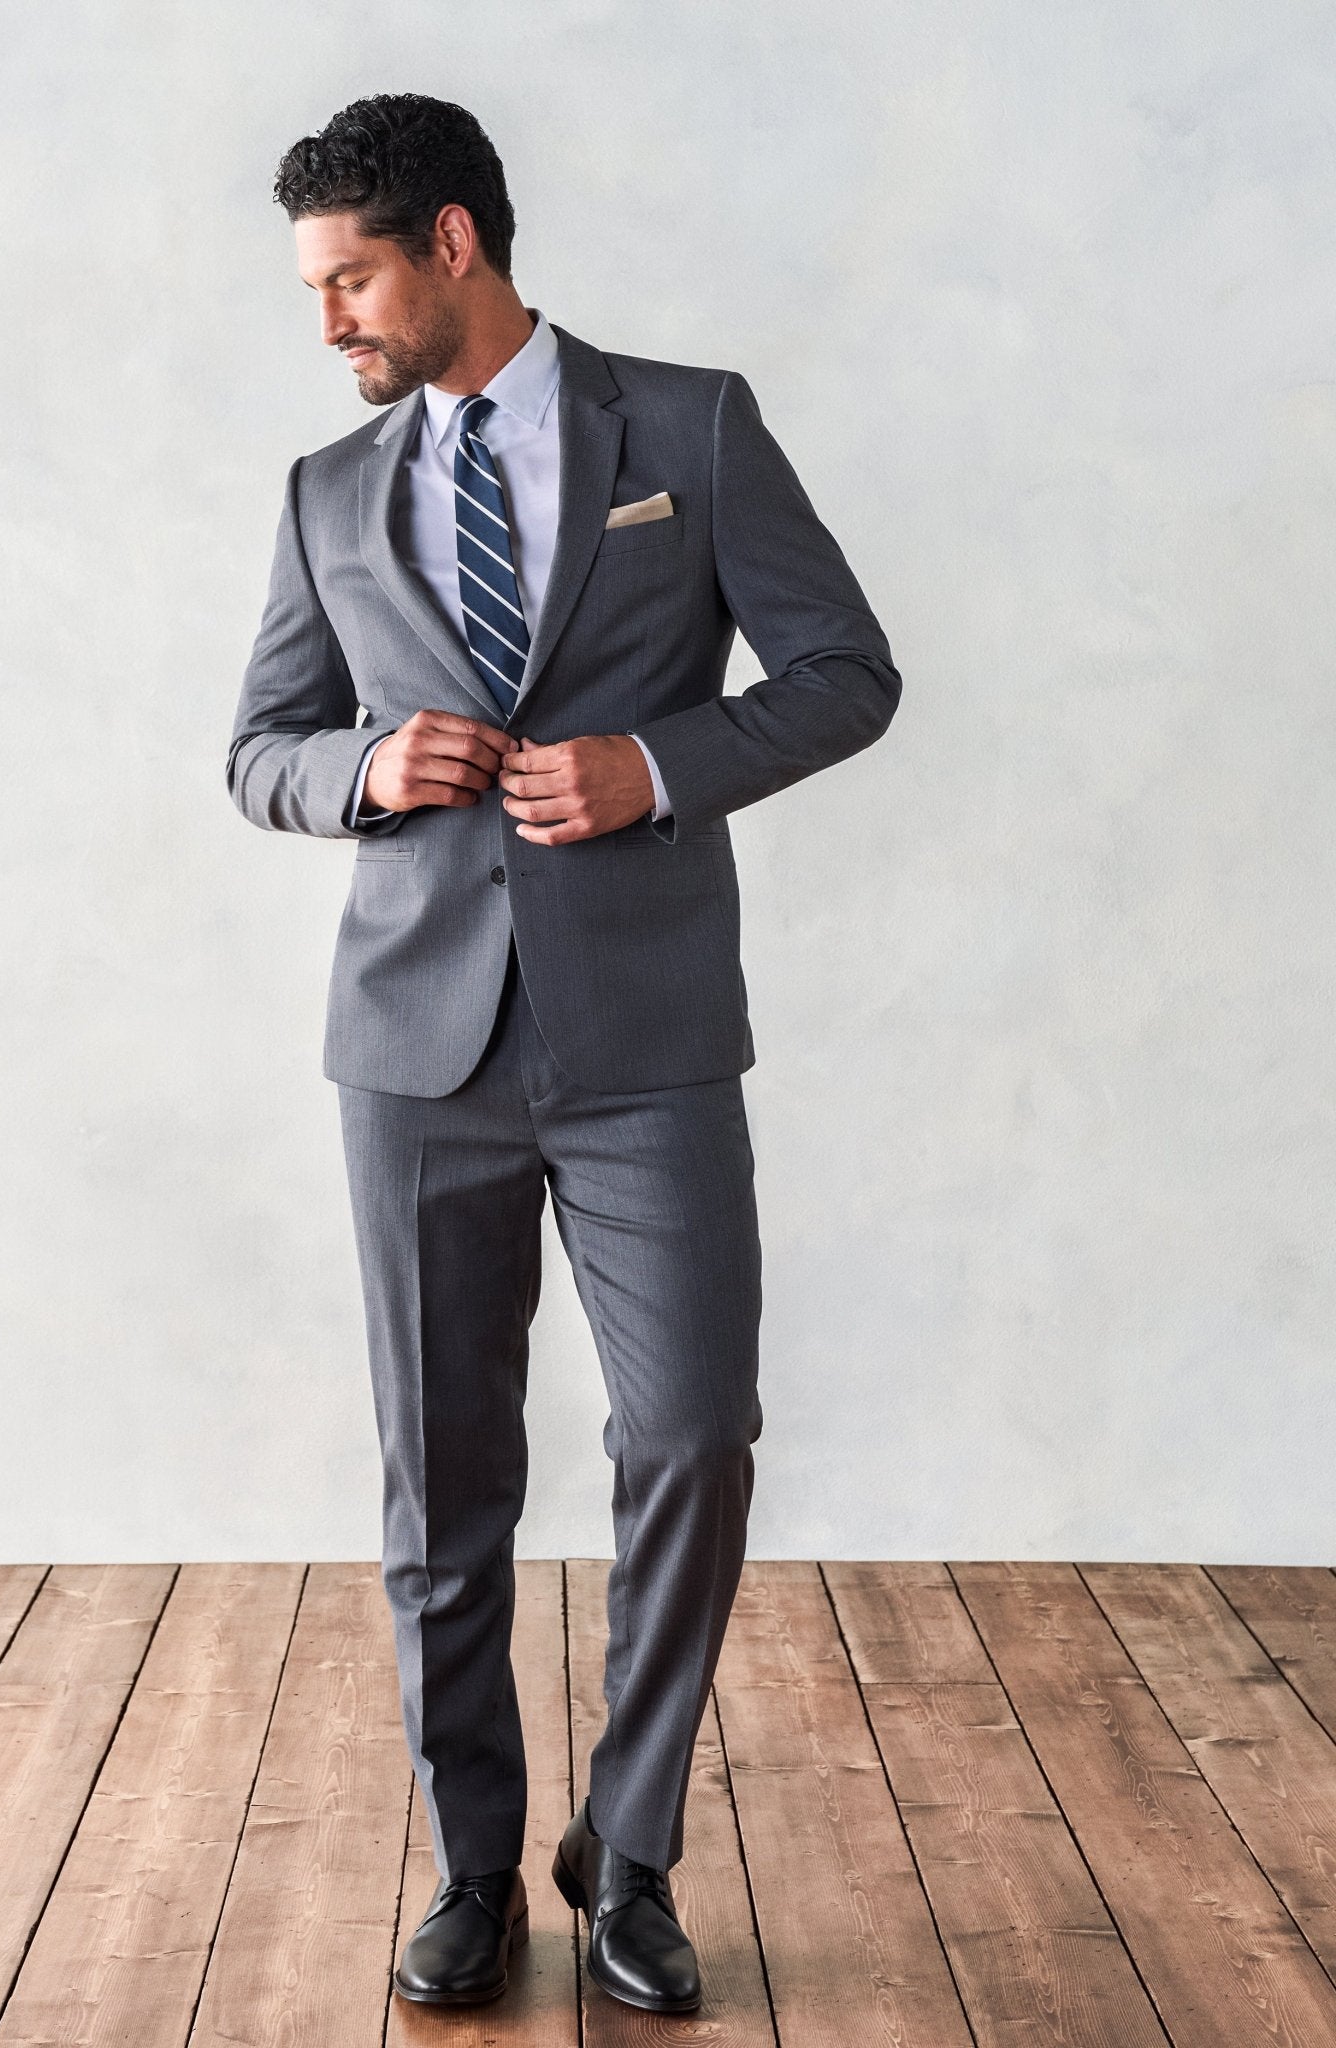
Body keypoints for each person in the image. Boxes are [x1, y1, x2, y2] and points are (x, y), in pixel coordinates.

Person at [226, 92, 901, 2015]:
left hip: (649, 1041)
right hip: (413, 1057)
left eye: (349, 276)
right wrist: (356, 770)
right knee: (443, 1487)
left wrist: (661, 766)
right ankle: (468, 1867)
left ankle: (632, 1850)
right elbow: (255, 748)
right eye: (311, 289)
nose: (330, 320)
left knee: (691, 1436)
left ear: (452, 244)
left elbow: (848, 670)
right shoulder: (323, 494)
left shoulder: (684, 427)